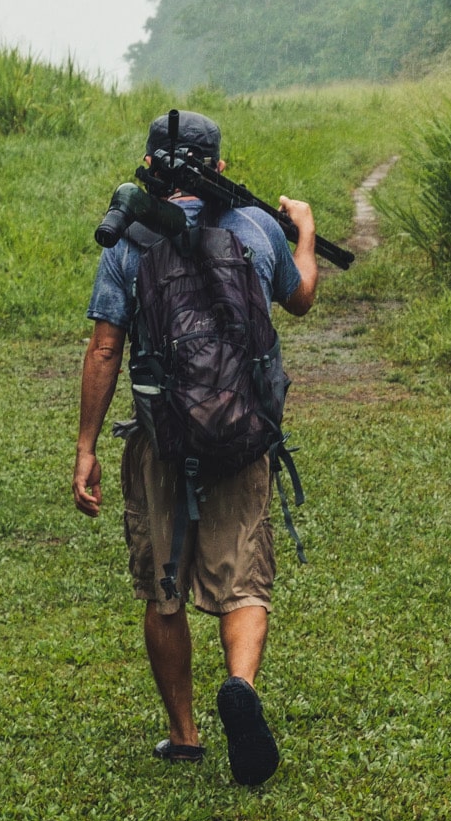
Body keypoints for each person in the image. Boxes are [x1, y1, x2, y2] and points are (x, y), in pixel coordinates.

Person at [73, 111, 317, 786]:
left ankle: (184, 734)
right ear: (221, 169)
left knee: (164, 585)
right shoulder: (255, 227)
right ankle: (240, 683)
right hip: (242, 436)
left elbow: (103, 348)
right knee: (244, 580)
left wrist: (87, 446)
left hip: (161, 439)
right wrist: (307, 234)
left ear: (150, 165)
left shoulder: (127, 240)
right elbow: (301, 298)